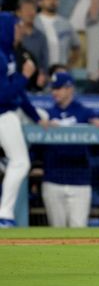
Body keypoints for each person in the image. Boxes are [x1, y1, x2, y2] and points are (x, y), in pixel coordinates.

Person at [39, 71, 99, 227]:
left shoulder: (85, 112)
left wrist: (96, 125)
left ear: (70, 89)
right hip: (53, 179)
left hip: (79, 179)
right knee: (57, 230)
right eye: (53, 89)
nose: (55, 92)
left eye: (59, 88)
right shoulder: (47, 114)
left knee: (79, 230)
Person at [0, 12, 41, 227]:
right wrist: (25, 77)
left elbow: (18, 94)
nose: (21, 31)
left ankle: (5, 214)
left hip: (6, 114)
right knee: (20, 162)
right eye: (17, 27)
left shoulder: (8, 53)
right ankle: (4, 214)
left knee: (19, 162)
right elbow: (2, 95)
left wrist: (36, 117)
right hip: (2, 114)